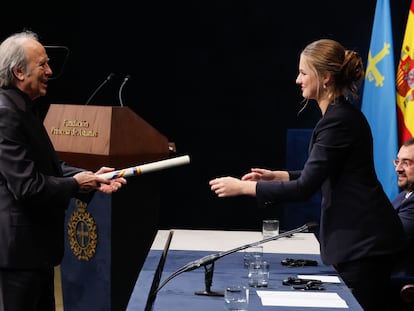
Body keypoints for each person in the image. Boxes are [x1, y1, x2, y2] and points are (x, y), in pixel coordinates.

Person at [209, 38, 407, 311]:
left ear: (325, 77)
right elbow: (322, 172)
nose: (297, 79)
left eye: (303, 72)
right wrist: (278, 176)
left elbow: (306, 187)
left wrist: (243, 189)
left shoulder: (338, 121)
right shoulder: (338, 116)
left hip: (366, 243)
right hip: (362, 242)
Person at [0, 31, 127, 311]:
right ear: (19, 72)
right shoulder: (6, 113)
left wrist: (92, 177)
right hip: (17, 259)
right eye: (42, 65)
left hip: (36, 254)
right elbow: (28, 187)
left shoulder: (23, 109)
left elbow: (49, 168)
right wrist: (75, 184)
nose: (50, 71)